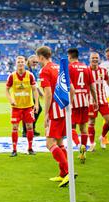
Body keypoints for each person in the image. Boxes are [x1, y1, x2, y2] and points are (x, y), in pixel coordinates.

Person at [37, 46, 71, 188]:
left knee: (50, 144)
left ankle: (69, 172)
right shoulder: (59, 66)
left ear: (41, 57)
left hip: (55, 110)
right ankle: (63, 174)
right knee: (60, 143)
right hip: (64, 108)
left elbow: (48, 93)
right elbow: (71, 88)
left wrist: (46, 114)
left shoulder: (45, 70)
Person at [67, 48, 98, 164]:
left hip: (73, 100)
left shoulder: (69, 68)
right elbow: (92, 86)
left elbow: (68, 86)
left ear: (69, 57)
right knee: (83, 128)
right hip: (85, 100)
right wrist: (95, 100)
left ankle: (79, 145)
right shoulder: (86, 67)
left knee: (71, 127)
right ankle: (83, 151)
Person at [5, 55, 39, 156]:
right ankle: (14, 150)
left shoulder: (30, 75)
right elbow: (6, 89)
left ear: (25, 63)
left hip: (28, 106)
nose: (20, 64)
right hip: (16, 107)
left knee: (29, 127)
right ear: (16, 64)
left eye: (22, 62)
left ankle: (30, 148)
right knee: (15, 127)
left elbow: (35, 90)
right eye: (18, 62)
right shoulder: (12, 76)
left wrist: (36, 103)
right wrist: (11, 99)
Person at [88, 52, 109, 150]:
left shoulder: (103, 71)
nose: (95, 60)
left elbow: (108, 81)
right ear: (90, 59)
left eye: (96, 58)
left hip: (102, 100)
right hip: (91, 101)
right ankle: (92, 143)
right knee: (91, 122)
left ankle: (102, 137)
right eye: (93, 58)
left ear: (99, 59)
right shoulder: (86, 71)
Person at [23, 55, 43, 137]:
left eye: (36, 62)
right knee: (28, 111)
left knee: (36, 110)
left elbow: (35, 84)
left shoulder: (32, 70)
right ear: (29, 61)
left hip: (32, 93)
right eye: (33, 62)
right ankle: (26, 131)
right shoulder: (26, 69)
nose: (35, 63)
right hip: (27, 94)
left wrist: (39, 92)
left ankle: (31, 128)